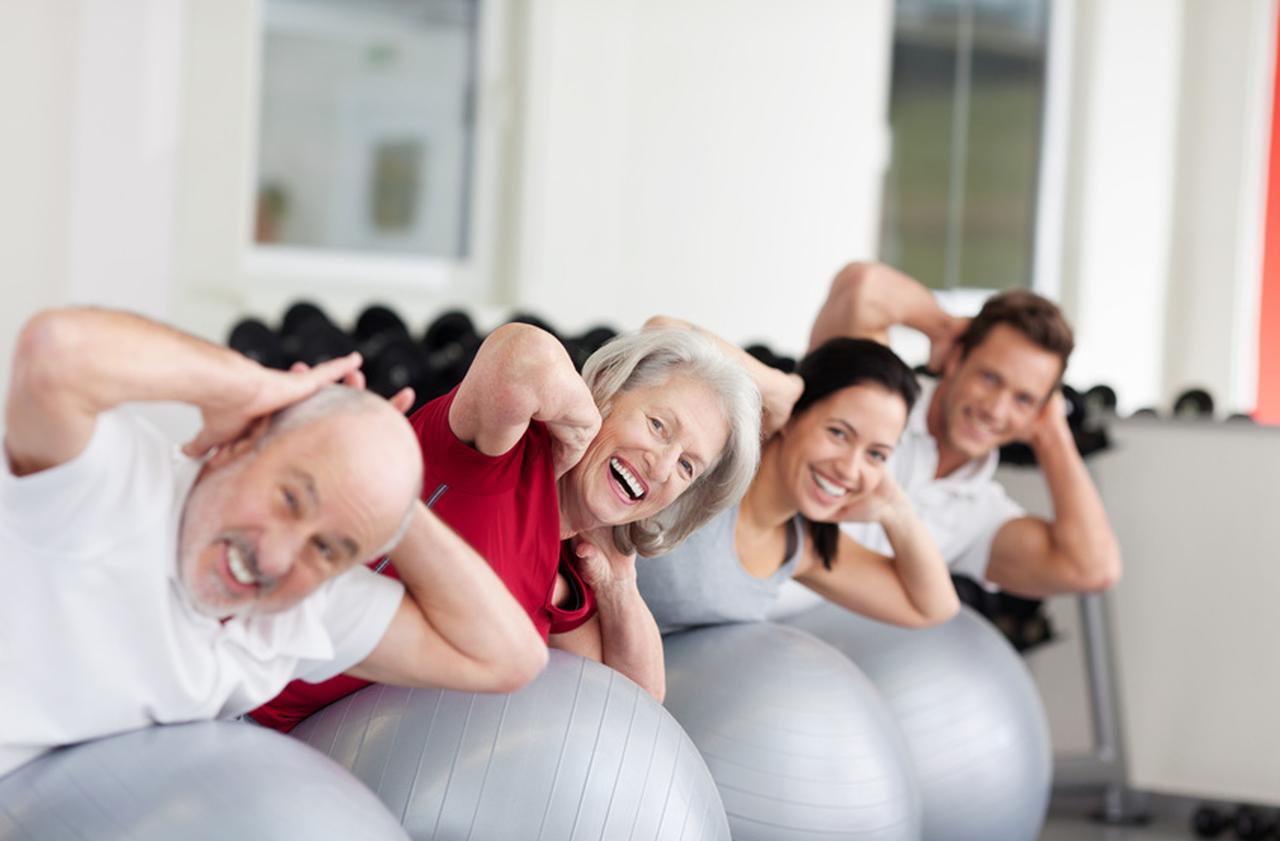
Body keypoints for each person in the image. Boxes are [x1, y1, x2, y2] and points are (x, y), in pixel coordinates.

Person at [1, 307, 547, 778]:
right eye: (290, 498)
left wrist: (391, 499)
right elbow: (53, 353)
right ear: (243, 443)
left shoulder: (306, 606)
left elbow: (508, 658)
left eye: (330, 549)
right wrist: (251, 386)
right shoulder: (116, 489)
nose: (277, 557)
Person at [252, 323, 761, 729]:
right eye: (657, 425)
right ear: (608, 393)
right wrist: (580, 428)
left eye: (687, 467)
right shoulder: (501, 451)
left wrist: (619, 582)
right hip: (237, 661)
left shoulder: (568, 579)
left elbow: (634, 707)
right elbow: (522, 356)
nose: (662, 463)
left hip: (298, 741)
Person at [805, 261, 1122, 597]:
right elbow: (862, 286)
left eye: (1024, 399)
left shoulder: (978, 514)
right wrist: (943, 328)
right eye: (990, 378)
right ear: (956, 359)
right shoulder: (871, 394)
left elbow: (1092, 570)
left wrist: (1053, 435)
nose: (996, 410)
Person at [634, 328, 959, 633]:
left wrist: (896, 509)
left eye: (876, 454)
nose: (849, 469)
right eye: (838, 433)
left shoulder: (804, 548)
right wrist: (783, 388)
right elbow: (660, 331)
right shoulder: (711, 456)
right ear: (793, 415)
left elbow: (933, 608)